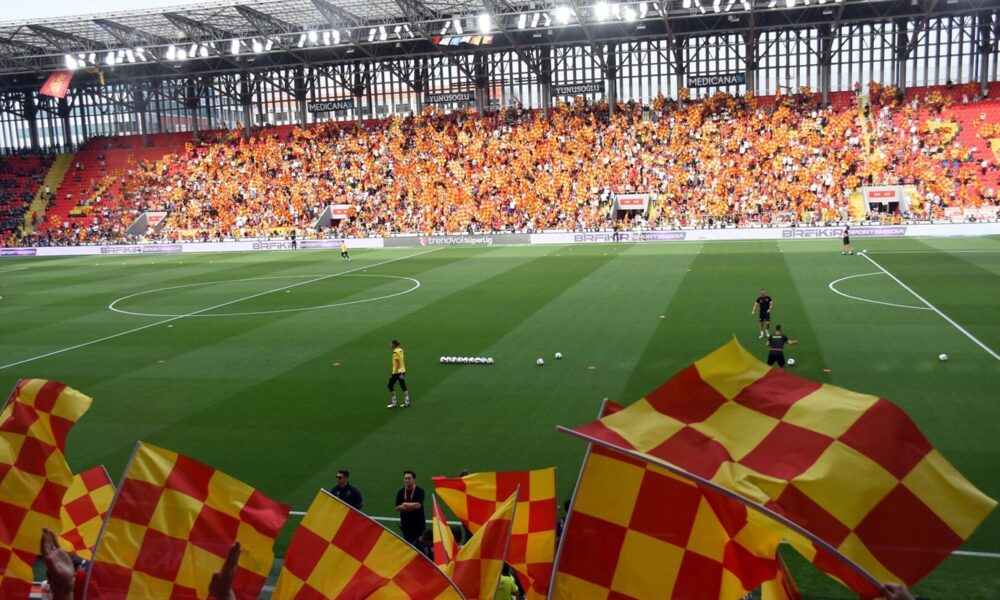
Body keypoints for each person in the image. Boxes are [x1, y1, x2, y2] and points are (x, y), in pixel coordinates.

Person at [395, 470, 426, 547]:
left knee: (419, 547)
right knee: (408, 547)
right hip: (406, 525)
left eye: (409, 478)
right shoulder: (401, 492)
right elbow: (397, 507)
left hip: (418, 525)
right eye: (405, 478)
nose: (407, 480)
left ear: (413, 479)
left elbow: (418, 505)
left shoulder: (420, 491)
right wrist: (411, 507)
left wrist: (405, 504)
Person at [387, 339, 410, 408]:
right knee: (403, 386)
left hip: (397, 372)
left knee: (390, 385)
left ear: (394, 344)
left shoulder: (395, 352)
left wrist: (399, 371)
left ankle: (394, 402)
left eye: (391, 343)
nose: (390, 345)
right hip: (403, 370)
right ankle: (407, 402)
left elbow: (397, 362)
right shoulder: (400, 350)